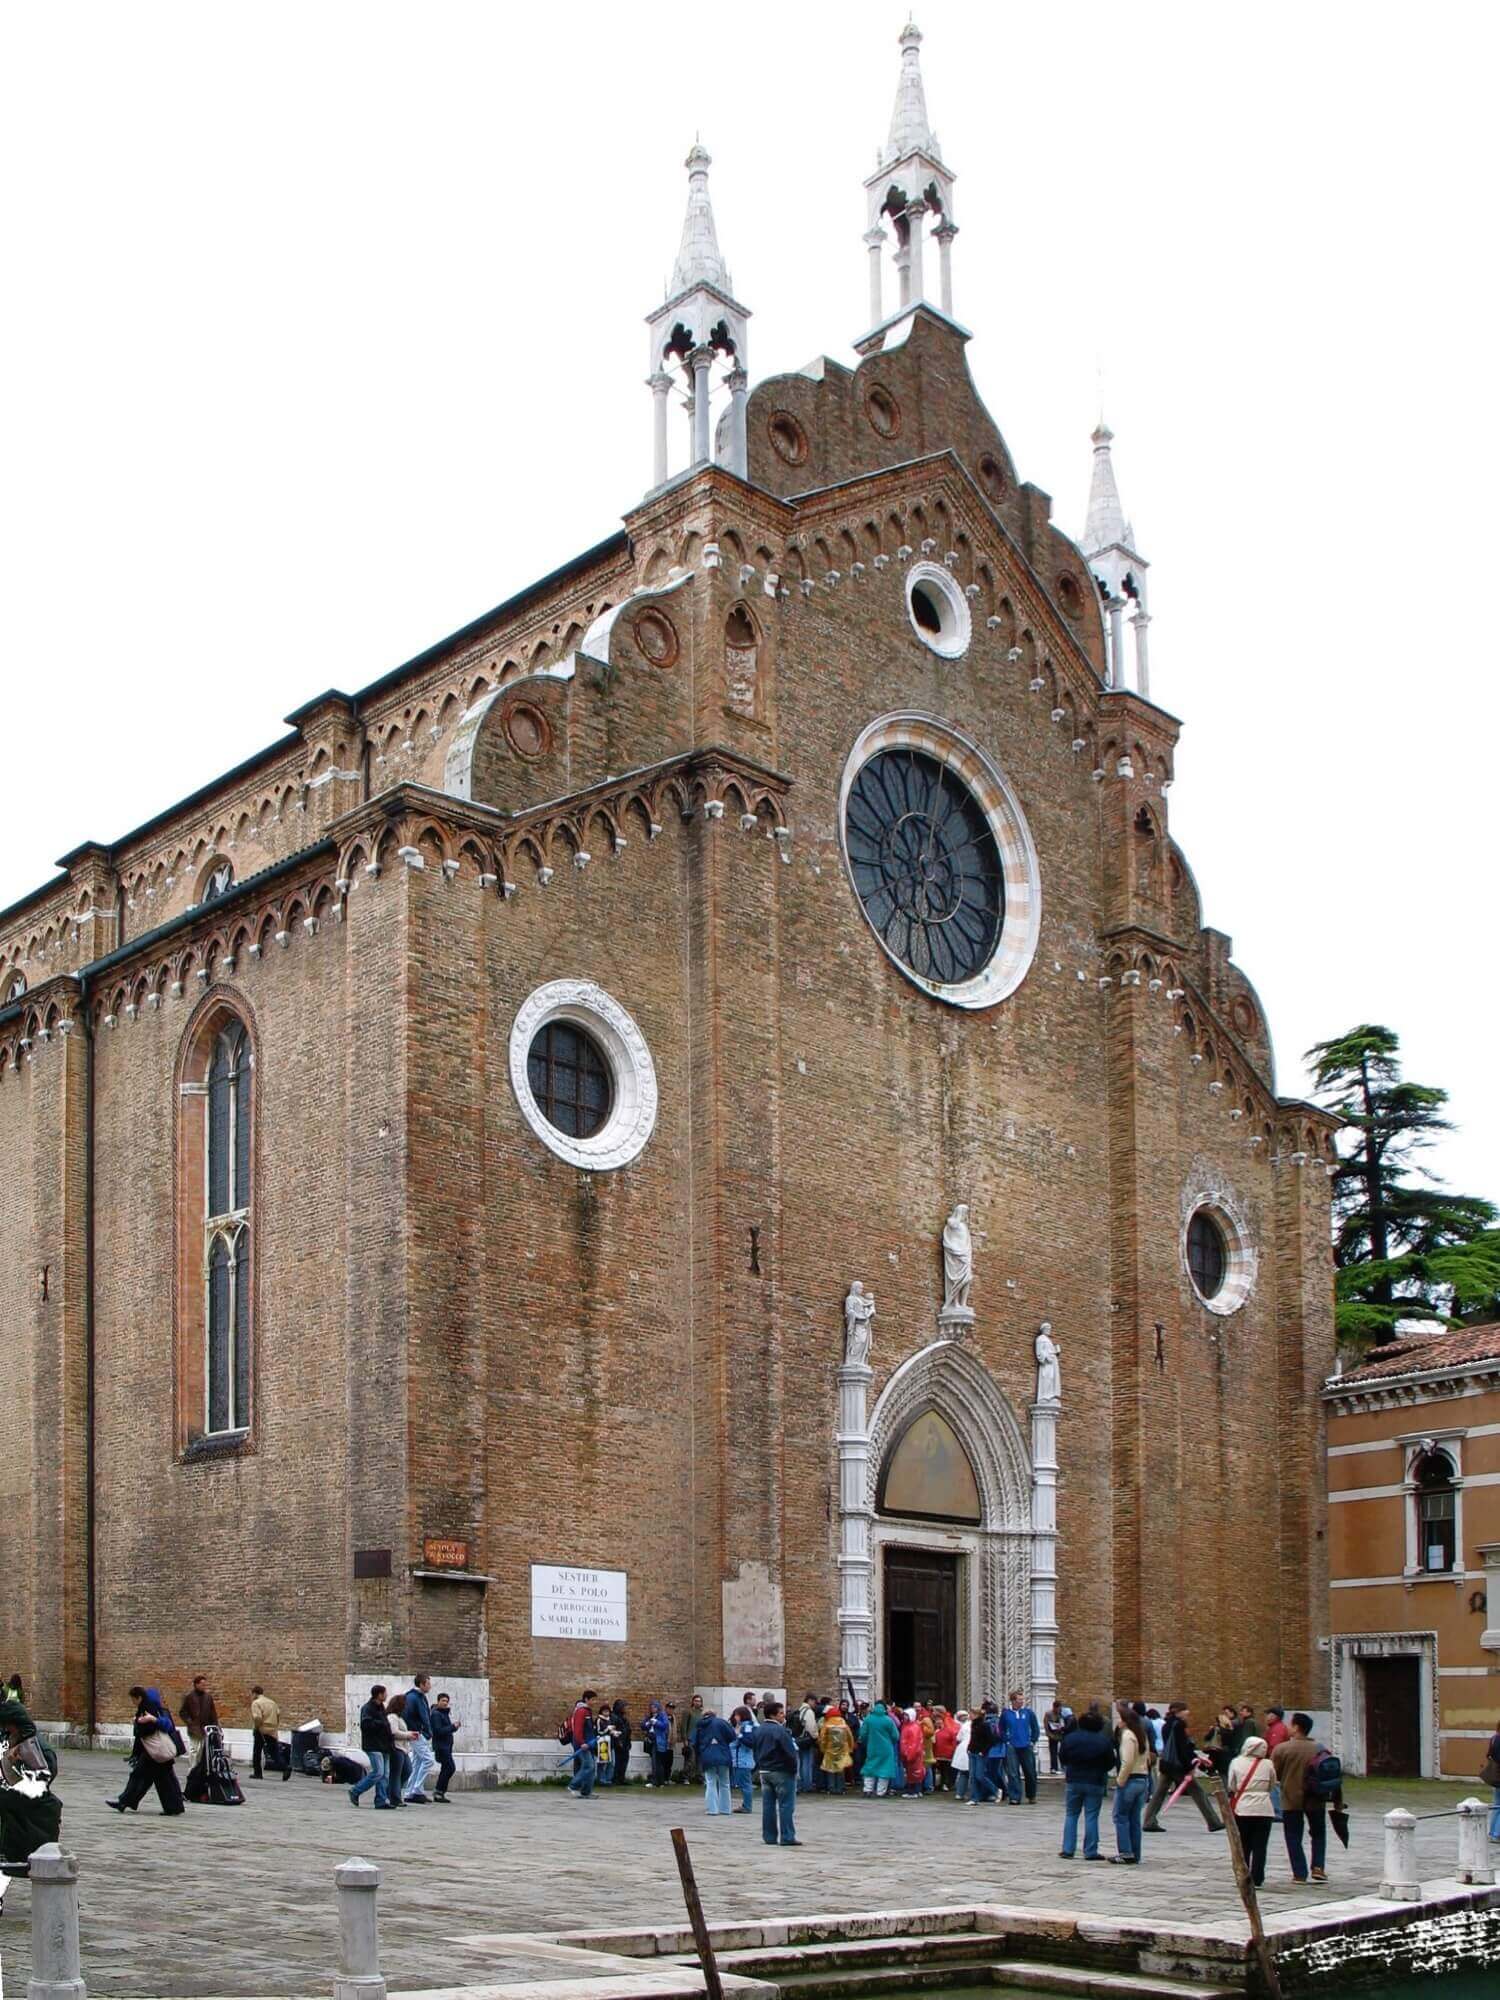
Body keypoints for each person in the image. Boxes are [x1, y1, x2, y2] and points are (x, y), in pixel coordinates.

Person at [1142, 1702, 1224, 1833]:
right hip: (1179, 1766)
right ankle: (1213, 1822)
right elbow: (1182, 1748)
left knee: (1159, 1794)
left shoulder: (1166, 1725)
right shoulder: (1179, 1725)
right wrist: (1190, 1765)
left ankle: (1149, 1821)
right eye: (1185, 1710)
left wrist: (1197, 1758)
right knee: (1198, 1792)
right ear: (1178, 1711)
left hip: (1167, 1763)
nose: (1188, 1712)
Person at [0, 1698, 63, 1866]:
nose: (6, 1729)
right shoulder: (18, 1739)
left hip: (34, 1799)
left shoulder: (35, 1746)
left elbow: (41, 1780)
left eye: (8, 1725)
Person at [107, 1687, 187, 1816]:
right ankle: (126, 1802)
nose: (133, 1702)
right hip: (155, 1751)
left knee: (145, 1778)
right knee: (156, 1779)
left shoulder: (151, 1711)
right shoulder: (155, 1710)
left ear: (140, 1698)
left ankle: (125, 1802)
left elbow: (154, 1729)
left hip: (155, 1751)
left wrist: (140, 1723)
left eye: (133, 1699)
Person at [1271, 1712, 1328, 1883]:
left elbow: (1274, 1774)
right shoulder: (1320, 1748)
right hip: (1316, 1797)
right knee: (1318, 1833)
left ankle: (1299, 1873)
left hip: (1290, 1798)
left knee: (1293, 1835)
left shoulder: (1282, 1749)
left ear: (1296, 1727)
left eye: (1290, 1724)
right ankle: (1318, 1867)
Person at [1058, 1709, 1115, 1859]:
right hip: (1095, 1780)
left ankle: (1068, 1848)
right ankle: (1090, 1850)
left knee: (1071, 1814)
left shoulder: (1070, 1738)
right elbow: (1110, 1762)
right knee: (1091, 1816)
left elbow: (1062, 1757)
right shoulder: (1103, 1741)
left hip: (1074, 1779)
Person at [1226, 1734, 1277, 1887]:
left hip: (1243, 1808)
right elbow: (1272, 1785)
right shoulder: (1268, 1764)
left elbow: (1231, 1785)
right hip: (1264, 1809)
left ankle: (1243, 1875)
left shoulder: (1236, 1762)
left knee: (1243, 1844)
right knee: (1260, 1846)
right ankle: (1258, 1877)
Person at [751, 1699, 801, 1845]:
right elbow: (790, 1752)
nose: (783, 1716)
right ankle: (787, 1836)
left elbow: (755, 1749)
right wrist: (793, 1770)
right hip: (781, 1771)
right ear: (773, 1715)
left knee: (768, 1805)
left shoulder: (759, 1730)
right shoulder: (780, 1731)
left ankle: (769, 1836)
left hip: (764, 1770)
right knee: (786, 1805)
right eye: (780, 1713)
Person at [1110, 1701, 1149, 1865]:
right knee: (1134, 1818)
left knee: (1120, 1816)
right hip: (1142, 1778)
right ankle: (1135, 1852)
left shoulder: (1127, 1736)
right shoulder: (1141, 1735)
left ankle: (1126, 1852)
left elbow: (1127, 1761)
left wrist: (1120, 1780)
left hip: (1130, 1779)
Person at [350, 1684, 393, 1807]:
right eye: (385, 1693)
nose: (386, 1695)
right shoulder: (368, 1708)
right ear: (379, 1694)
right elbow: (366, 1725)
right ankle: (356, 1790)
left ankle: (381, 1800)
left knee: (385, 1775)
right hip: (373, 1745)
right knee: (378, 1772)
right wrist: (382, 1724)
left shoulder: (382, 1708)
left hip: (384, 1745)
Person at [184, 1722, 245, 1805]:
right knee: (201, 1762)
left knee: (198, 1764)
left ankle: (194, 1793)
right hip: (201, 1730)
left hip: (199, 1730)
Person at [694, 1704, 735, 1814]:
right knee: (725, 1783)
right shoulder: (722, 1722)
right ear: (714, 1714)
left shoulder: (700, 1725)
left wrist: (701, 1753)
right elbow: (732, 1736)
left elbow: (695, 1742)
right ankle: (725, 1809)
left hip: (707, 1756)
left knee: (710, 1783)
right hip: (723, 1755)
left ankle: (712, 1809)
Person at [401, 1674, 436, 1802]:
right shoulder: (415, 1698)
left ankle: (410, 1792)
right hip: (416, 1733)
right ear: (421, 1684)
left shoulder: (416, 1697)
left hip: (416, 1732)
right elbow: (421, 1716)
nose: (430, 1686)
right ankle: (416, 1789)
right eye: (428, 1683)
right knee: (428, 1760)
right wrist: (427, 1731)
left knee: (417, 1762)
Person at [1002, 1690, 1041, 1803]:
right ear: (1013, 1701)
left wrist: (1032, 1740)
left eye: (1022, 1699)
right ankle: (1015, 1797)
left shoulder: (1028, 1713)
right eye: (1019, 1699)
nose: (1022, 1701)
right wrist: (1006, 1740)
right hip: (1012, 1746)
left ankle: (1031, 1795)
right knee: (1013, 1772)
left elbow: (1035, 1727)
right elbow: (1001, 1729)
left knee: (1030, 1771)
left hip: (1026, 1745)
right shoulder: (1006, 1714)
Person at [858, 1700, 900, 1798]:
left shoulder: (868, 1719)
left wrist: (866, 1741)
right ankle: (881, 1792)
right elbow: (896, 1736)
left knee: (870, 1768)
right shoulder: (888, 1720)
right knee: (884, 1770)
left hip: (872, 1747)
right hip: (886, 1749)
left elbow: (862, 1734)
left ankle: (867, 1790)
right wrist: (890, 1742)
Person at [250, 1686, 291, 1781]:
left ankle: (257, 1773)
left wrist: (257, 1727)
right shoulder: (272, 1703)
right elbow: (278, 1714)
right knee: (274, 1752)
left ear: (255, 1693)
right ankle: (285, 1767)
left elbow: (257, 1717)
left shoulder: (256, 1703)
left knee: (257, 1752)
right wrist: (275, 1727)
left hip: (261, 1729)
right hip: (272, 1730)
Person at [965, 1703, 1000, 1804]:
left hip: (980, 1753)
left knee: (979, 1775)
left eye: (971, 1714)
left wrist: (983, 1751)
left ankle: (996, 1790)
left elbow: (991, 1740)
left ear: (976, 1714)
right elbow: (973, 1738)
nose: (969, 1716)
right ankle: (974, 1798)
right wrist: (969, 1748)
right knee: (972, 1776)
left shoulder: (984, 1725)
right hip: (972, 1752)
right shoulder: (973, 1724)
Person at [386, 1691, 415, 1806]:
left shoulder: (400, 1718)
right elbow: (394, 1732)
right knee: (396, 1773)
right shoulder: (392, 1717)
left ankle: (392, 1791)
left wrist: (410, 1735)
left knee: (407, 1771)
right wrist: (408, 1735)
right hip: (396, 1748)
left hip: (403, 1748)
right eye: (405, 1704)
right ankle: (395, 1797)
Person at [818, 1703, 854, 1795]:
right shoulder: (844, 1724)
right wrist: (850, 1748)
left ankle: (831, 1788)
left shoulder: (827, 1724)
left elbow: (822, 1738)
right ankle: (841, 1788)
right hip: (842, 1750)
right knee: (840, 1769)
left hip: (829, 1750)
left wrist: (822, 1748)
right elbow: (850, 1737)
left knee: (830, 1769)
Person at [567, 1702, 599, 1799]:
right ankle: (573, 1785)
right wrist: (581, 1742)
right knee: (588, 1766)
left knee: (592, 1768)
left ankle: (586, 1792)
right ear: (587, 1700)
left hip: (589, 1745)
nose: (595, 1702)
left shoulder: (588, 1712)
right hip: (582, 1745)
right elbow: (578, 1729)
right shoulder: (581, 1711)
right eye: (593, 1700)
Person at [730, 1704, 758, 1811]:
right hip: (739, 1760)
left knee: (745, 1784)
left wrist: (739, 1735)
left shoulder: (747, 1727)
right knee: (743, 1784)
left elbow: (750, 1742)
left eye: (736, 1715)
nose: (735, 1717)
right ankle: (745, 1805)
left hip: (743, 1760)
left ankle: (747, 1806)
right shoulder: (741, 1726)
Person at [179, 1673, 218, 1747]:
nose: (204, 1686)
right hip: (194, 1729)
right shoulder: (189, 1697)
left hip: (206, 1728)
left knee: (205, 1749)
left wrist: (214, 1726)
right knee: (195, 1749)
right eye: (202, 1684)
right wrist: (190, 1722)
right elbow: (183, 1712)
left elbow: (213, 1713)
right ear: (196, 1684)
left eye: (205, 1685)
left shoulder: (208, 1697)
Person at [431, 1692, 457, 1801]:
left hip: (446, 1746)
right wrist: (452, 1727)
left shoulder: (444, 1713)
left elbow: (445, 1730)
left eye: (447, 1701)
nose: (445, 1703)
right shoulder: (436, 1714)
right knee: (450, 1767)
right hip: (441, 1747)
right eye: (443, 1701)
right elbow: (438, 1731)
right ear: (438, 1701)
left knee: (447, 1768)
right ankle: (439, 1791)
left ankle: (440, 1792)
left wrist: (454, 1728)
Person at [643, 1700, 673, 1787]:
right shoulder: (649, 1716)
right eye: (651, 1707)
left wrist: (656, 1722)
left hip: (659, 1740)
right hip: (650, 1740)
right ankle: (658, 1781)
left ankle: (658, 1781)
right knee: (654, 1761)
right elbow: (643, 1726)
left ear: (658, 1708)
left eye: (654, 1707)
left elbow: (664, 1726)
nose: (652, 1709)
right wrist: (648, 1723)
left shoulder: (662, 1715)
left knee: (658, 1761)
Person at [1204, 1706, 1239, 1779]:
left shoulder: (1227, 1727)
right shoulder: (1229, 1728)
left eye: (1226, 1713)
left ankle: (1211, 1771)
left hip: (1222, 1749)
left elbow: (1207, 1737)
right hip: (1225, 1750)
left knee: (1223, 1771)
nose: (1225, 1716)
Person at [797, 1694, 822, 1794]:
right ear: (810, 1700)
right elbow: (811, 1727)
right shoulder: (809, 1711)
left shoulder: (800, 1710)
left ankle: (799, 1784)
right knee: (807, 1763)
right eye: (815, 1702)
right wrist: (816, 1737)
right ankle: (807, 1785)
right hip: (806, 1740)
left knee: (800, 1763)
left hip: (798, 1739)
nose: (815, 1705)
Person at [898, 1708, 925, 1797]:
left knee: (914, 1773)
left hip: (912, 1754)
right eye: (904, 1715)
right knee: (911, 1773)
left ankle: (913, 1792)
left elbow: (914, 1743)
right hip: (908, 1753)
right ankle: (915, 1791)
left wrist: (909, 1754)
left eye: (906, 1715)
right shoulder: (907, 1726)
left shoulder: (913, 1727)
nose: (904, 1717)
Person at [678, 1694, 705, 1785]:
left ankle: (699, 1777)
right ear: (693, 1702)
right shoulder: (688, 1712)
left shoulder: (702, 1713)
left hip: (700, 1739)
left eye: (699, 1701)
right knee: (690, 1759)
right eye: (696, 1701)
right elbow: (683, 1726)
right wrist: (684, 1739)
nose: (698, 1702)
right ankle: (684, 1777)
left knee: (700, 1760)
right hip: (690, 1739)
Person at [1043, 1697, 1073, 1775]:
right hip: (1052, 1735)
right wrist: (1049, 1734)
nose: (1059, 1710)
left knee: (1063, 1751)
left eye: (1060, 1709)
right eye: (1058, 1708)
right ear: (1054, 1707)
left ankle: (1064, 1766)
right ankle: (1053, 1768)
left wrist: (1062, 1727)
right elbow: (1046, 1725)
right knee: (1053, 1752)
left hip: (1061, 1734)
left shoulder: (1061, 1714)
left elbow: (1064, 1722)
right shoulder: (1048, 1714)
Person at [932, 1707, 958, 1790]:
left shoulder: (949, 1730)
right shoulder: (935, 1731)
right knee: (940, 1769)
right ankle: (939, 1784)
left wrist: (953, 1751)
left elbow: (954, 1741)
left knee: (946, 1770)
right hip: (937, 1753)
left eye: (940, 1721)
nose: (938, 1723)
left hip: (947, 1754)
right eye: (936, 1721)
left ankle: (946, 1784)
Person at [609, 1699, 632, 1788]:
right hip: (618, 1743)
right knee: (618, 1762)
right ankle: (615, 1778)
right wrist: (619, 1742)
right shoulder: (614, 1717)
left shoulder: (623, 1718)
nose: (626, 1708)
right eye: (624, 1706)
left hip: (625, 1742)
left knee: (624, 1761)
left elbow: (627, 1731)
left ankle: (621, 1778)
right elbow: (614, 1731)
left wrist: (628, 1742)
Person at [951, 1710, 972, 1800]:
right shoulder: (970, 1725)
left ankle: (960, 1793)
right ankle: (972, 1793)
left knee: (964, 1773)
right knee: (970, 1773)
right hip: (970, 1748)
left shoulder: (965, 1725)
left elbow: (958, 1738)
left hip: (963, 1748)